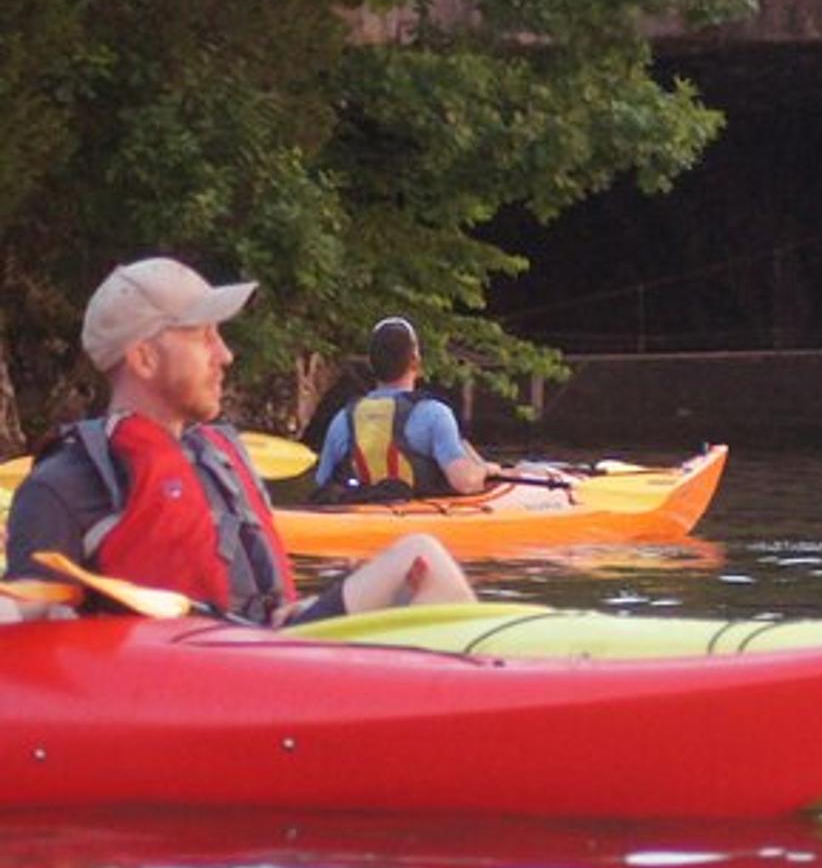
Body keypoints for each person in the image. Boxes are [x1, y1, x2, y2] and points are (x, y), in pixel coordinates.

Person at [3, 257, 475, 623]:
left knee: (420, 560)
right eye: (203, 337)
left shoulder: (217, 458)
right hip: (197, 690)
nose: (224, 355)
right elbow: (23, 619)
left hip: (272, 643)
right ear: (144, 358)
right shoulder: (64, 486)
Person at [312, 316, 498, 500]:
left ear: (371, 364)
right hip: (421, 523)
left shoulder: (343, 418)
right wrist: (486, 469)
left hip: (361, 520)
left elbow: (322, 484)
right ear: (415, 361)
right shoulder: (434, 414)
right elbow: (465, 483)